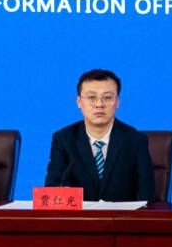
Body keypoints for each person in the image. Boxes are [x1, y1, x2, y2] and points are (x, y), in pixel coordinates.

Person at [45, 69, 156, 202]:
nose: (99, 104)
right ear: (79, 102)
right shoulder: (64, 139)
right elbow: (53, 187)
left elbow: (147, 197)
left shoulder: (135, 140)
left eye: (107, 97)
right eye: (91, 97)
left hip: (122, 215)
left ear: (117, 102)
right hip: (80, 215)